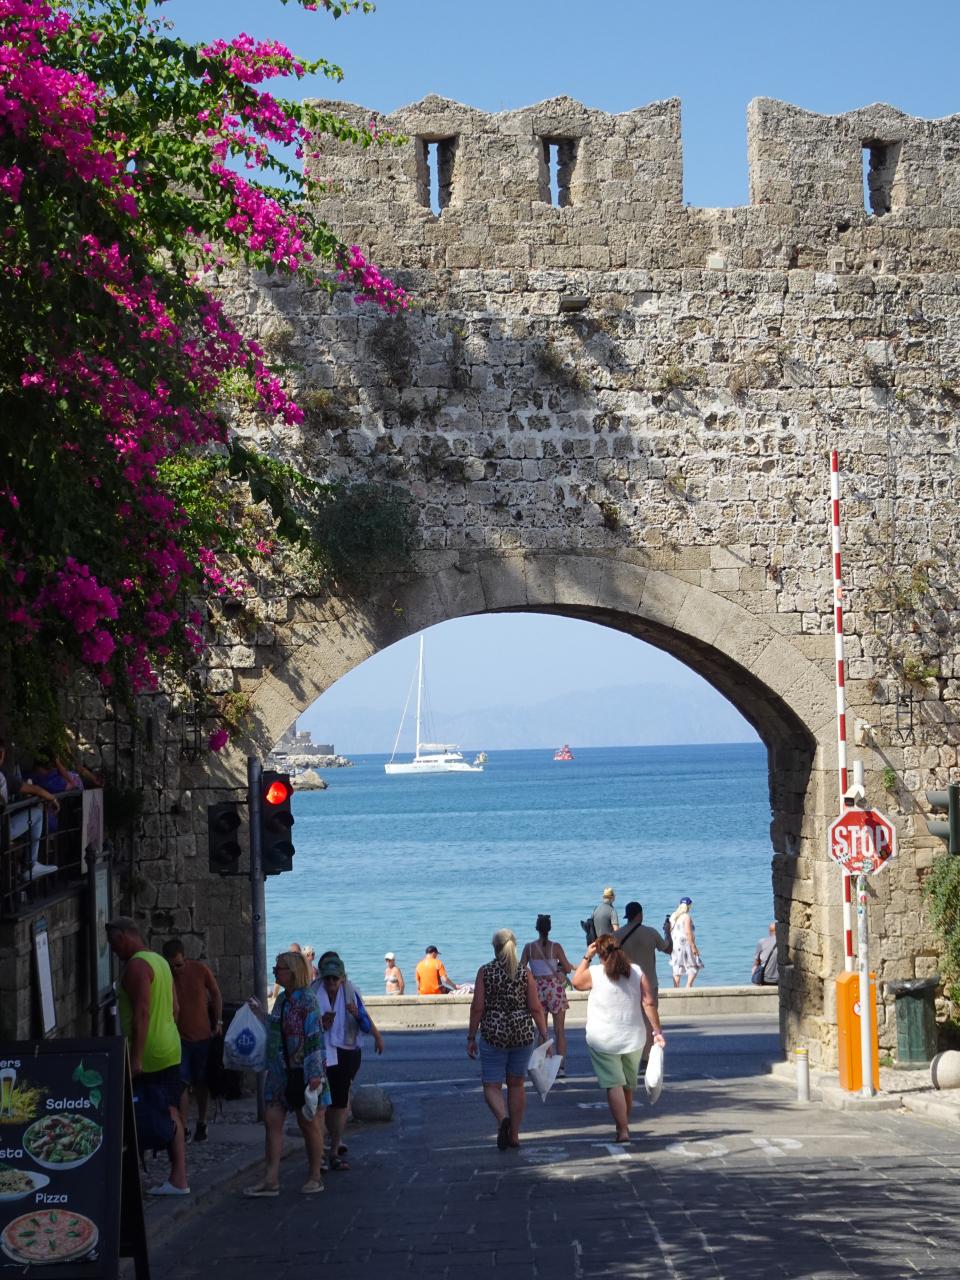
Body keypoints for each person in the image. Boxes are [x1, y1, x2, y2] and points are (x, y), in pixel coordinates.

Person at [106, 917, 188, 1195]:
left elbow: (141, 1014)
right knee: (170, 1109)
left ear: (123, 937)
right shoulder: (160, 962)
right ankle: (178, 1177)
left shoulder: (137, 966)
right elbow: (175, 1008)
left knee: (142, 1111)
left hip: (149, 1052)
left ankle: (153, 1180)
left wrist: (136, 1058)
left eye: (113, 944)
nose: (113, 950)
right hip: (169, 1046)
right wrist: (167, 1032)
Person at [244, 950, 329, 1197]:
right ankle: (270, 1179)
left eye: (278, 968)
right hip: (279, 1071)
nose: (274, 971)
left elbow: (314, 1037)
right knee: (272, 1121)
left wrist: (315, 1075)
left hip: (303, 1072)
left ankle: (315, 1176)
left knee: (308, 1124)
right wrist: (260, 1014)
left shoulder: (308, 1001)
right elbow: (277, 1027)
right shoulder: (282, 1000)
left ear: (292, 973)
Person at [571, 934, 666, 1144]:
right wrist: (657, 1031)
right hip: (633, 1038)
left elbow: (576, 982)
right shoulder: (636, 971)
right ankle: (623, 1126)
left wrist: (587, 956)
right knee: (627, 1086)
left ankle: (622, 1130)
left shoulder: (595, 973)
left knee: (614, 1084)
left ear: (600, 953)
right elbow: (649, 1003)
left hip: (603, 1039)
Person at [467, 928, 551, 1150]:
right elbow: (535, 1007)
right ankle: (514, 1134)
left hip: (494, 1033)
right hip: (522, 1033)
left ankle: (502, 1118)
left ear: (495, 949)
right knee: (516, 1084)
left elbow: (477, 1008)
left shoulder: (485, 972)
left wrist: (471, 1036)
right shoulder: (524, 973)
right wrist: (544, 1035)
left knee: (491, 1084)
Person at [316, 954, 384, 1171]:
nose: (331, 982)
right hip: (321, 1052)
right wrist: (320, 1024)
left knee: (339, 1102)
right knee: (320, 1104)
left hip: (345, 1052)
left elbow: (365, 1024)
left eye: (334, 979)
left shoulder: (350, 993)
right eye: (327, 978)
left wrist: (357, 1016)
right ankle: (322, 1148)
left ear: (342, 978)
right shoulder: (313, 993)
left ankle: (335, 1147)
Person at [162, 938, 223, 1143]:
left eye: (178, 965)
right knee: (181, 1083)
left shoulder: (199, 970)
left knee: (201, 1083)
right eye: (171, 966)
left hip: (203, 1037)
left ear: (185, 958)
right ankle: (183, 1125)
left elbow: (215, 993)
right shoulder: (164, 976)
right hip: (178, 1039)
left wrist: (218, 1021)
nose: (175, 970)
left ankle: (202, 1122)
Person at [614, 902, 672, 1063]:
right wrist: (668, 932)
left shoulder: (616, 935)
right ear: (640, 915)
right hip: (649, 983)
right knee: (648, 1023)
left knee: (627, 1021)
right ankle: (645, 1058)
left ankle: (628, 1057)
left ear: (627, 916)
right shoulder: (650, 933)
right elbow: (668, 949)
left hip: (625, 984)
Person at [520, 915, 573, 1074]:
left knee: (542, 1030)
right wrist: (558, 969)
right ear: (549, 929)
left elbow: (521, 969)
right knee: (559, 1030)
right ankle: (560, 1067)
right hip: (554, 988)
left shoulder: (529, 948)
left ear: (536, 928)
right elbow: (568, 968)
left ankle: (543, 1066)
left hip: (537, 988)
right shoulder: (556, 947)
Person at [0, 737, 59, 878]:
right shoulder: (3, 778)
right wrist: (53, 799)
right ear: (2, 754)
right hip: (2, 833)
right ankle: (30, 865)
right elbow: (36, 789)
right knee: (37, 814)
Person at [670, 897, 703, 988]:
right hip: (685, 945)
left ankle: (676, 988)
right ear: (689, 906)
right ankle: (688, 986)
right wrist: (693, 947)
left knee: (677, 967)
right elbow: (688, 933)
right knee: (694, 965)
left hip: (675, 945)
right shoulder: (686, 917)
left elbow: (669, 930)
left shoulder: (673, 916)